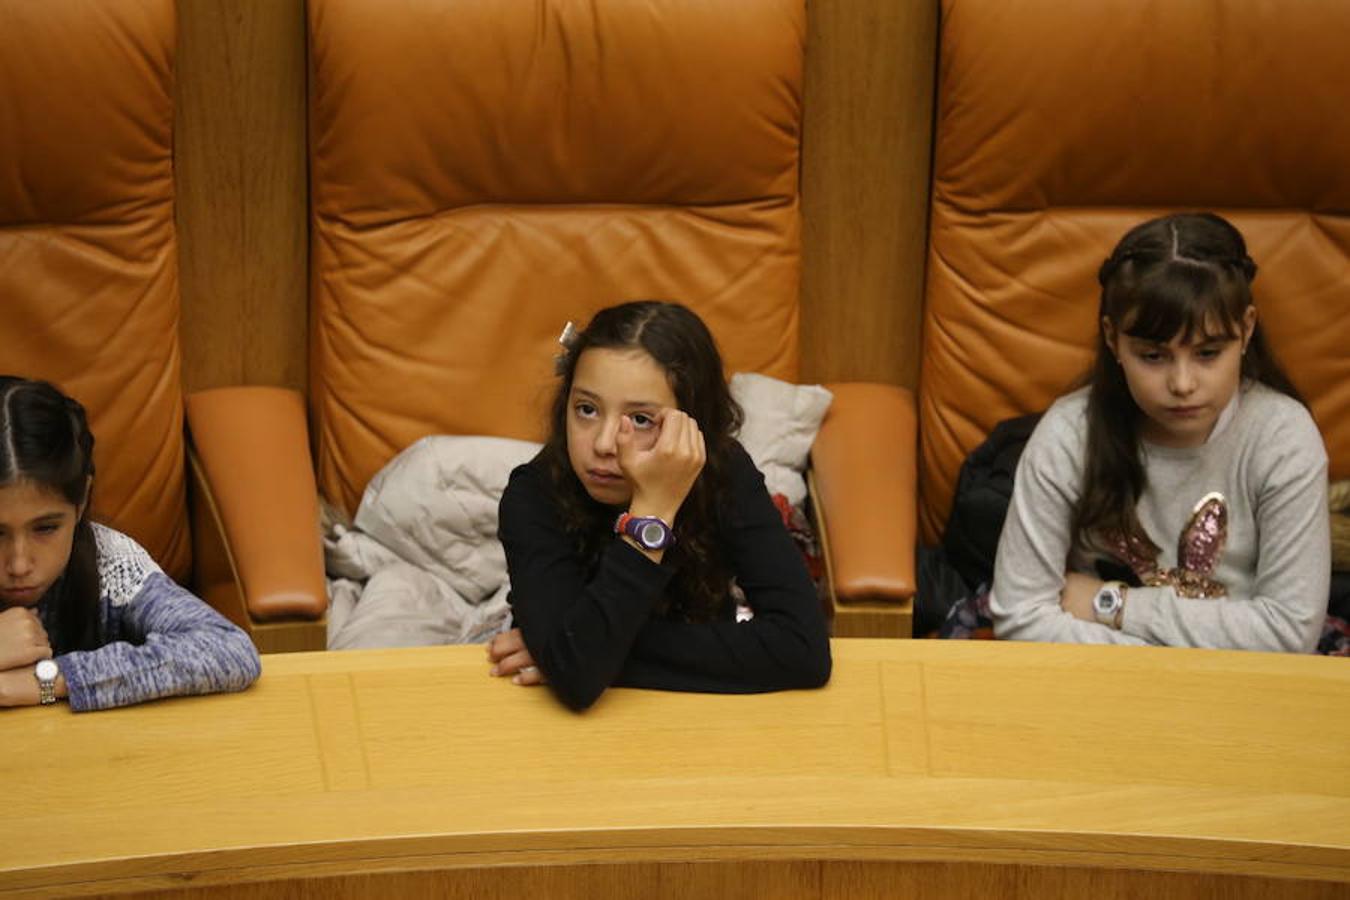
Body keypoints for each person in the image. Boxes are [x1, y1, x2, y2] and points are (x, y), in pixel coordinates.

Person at [989, 212, 1330, 652]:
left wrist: (1112, 605)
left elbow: (1289, 633)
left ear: (1245, 330)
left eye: (1208, 353)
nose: (1182, 384)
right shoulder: (1069, 434)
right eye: (1153, 356)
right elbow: (1019, 617)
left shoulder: (1284, 438)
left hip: (1245, 688)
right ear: (1113, 340)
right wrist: (1172, 659)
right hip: (1100, 685)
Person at [487, 301, 832, 709]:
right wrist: (649, 521)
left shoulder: (724, 473)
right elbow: (577, 683)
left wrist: (572, 654)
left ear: (692, 425)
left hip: (702, 713)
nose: (602, 444)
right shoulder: (535, 494)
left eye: (641, 419)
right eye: (586, 409)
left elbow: (803, 650)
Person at [0, 377, 261, 710]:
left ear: (81, 502)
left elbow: (229, 649)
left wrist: (54, 680)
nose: (19, 564)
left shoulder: (112, 564)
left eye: (46, 528)